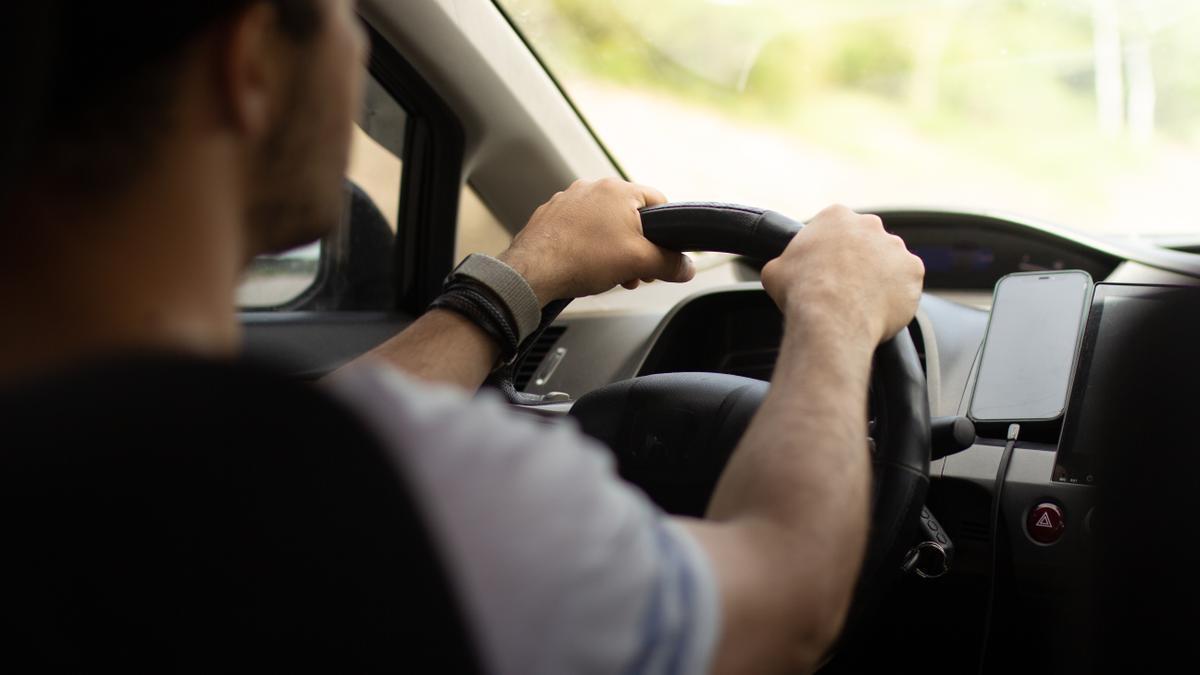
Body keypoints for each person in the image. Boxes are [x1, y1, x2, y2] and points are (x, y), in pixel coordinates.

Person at [0, 1, 923, 673]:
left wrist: (518, 280)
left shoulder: (118, 463)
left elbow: (283, 441)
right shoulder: (416, 498)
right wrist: (835, 312)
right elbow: (787, 600)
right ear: (250, 66)